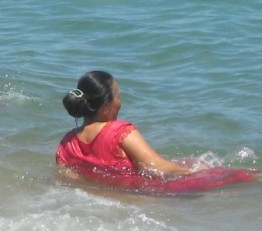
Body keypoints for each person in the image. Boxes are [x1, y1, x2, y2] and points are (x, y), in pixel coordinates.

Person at [56, 71, 190, 178]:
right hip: (138, 201)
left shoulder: (66, 144)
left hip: (102, 200)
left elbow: (69, 178)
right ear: (106, 107)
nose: (120, 103)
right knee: (202, 168)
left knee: (187, 161)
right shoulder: (119, 132)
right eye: (118, 97)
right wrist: (192, 172)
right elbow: (155, 167)